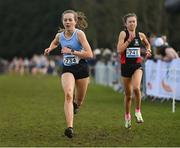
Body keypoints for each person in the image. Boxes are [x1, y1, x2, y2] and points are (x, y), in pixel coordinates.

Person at [44, 10, 93, 138]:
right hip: (67, 69)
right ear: (62, 22)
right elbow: (55, 42)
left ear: (75, 22)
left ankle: (76, 106)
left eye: (70, 20)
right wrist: (50, 48)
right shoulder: (60, 36)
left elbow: (89, 54)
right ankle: (70, 127)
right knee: (68, 94)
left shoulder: (79, 34)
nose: (67, 22)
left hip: (81, 69)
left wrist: (71, 51)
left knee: (79, 101)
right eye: (65, 20)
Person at [117, 13, 151, 129]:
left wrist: (148, 50)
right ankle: (127, 116)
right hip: (125, 66)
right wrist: (128, 41)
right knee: (128, 95)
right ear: (125, 24)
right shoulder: (123, 34)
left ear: (136, 23)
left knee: (136, 87)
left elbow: (147, 43)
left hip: (137, 65)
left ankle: (138, 111)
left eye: (134, 21)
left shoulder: (140, 35)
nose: (132, 23)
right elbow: (119, 50)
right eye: (130, 22)